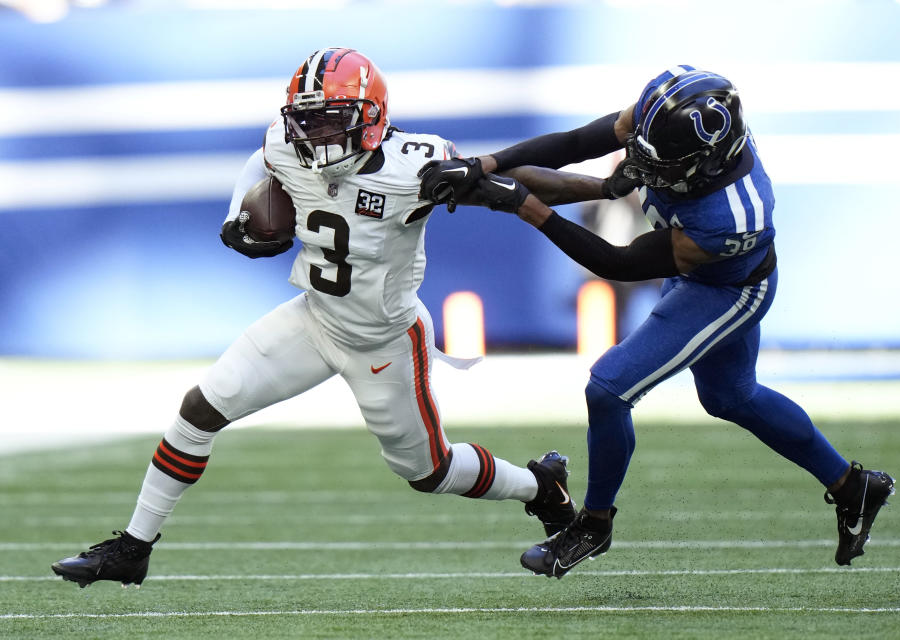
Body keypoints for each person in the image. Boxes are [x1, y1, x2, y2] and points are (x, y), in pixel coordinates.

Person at [50, 48, 575, 589]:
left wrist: (602, 188)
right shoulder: (285, 144)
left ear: (372, 118)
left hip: (385, 340)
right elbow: (263, 160)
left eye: (331, 119)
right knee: (200, 409)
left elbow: (519, 180)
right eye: (307, 120)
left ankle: (540, 487)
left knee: (429, 472)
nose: (317, 135)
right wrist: (238, 214)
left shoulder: (418, 164)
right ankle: (133, 549)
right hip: (316, 317)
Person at [418, 65, 895, 579]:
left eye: (659, 159)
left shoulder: (732, 216)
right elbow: (576, 142)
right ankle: (852, 485)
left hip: (727, 288)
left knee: (608, 388)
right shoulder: (667, 113)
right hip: (694, 268)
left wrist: (526, 206)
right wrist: (483, 165)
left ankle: (593, 525)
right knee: (730, 397)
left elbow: (618, 265)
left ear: (707, 163)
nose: (641, 158)